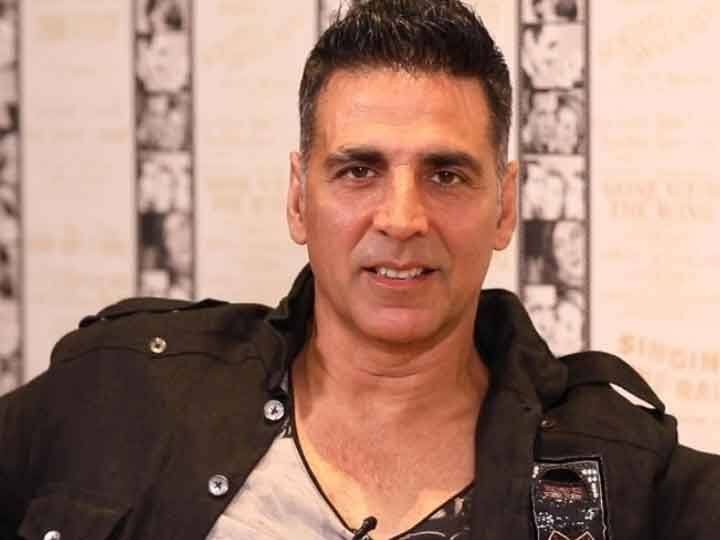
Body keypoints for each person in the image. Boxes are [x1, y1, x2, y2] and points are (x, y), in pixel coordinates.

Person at [1, 1, 719, 539]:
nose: (402, 218)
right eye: (358, 170)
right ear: (298, 199)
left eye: (446, 174)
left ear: (505, 208)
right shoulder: (120, 390)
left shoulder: (628, 475)